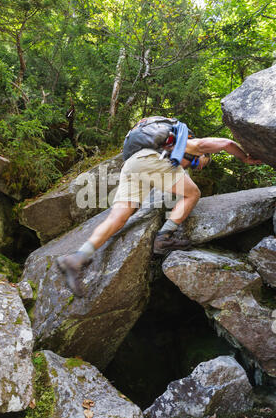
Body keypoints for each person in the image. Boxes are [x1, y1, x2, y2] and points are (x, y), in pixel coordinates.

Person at [56, 119, 262, 297]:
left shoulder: (167, 149)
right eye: (198, 163)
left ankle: (77, 258)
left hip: (132, 164)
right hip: (148, 161)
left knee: (118, 217)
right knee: (193, 193)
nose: (195, 167)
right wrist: (245, 157)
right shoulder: (189, 143)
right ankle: (164, 237)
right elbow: (226, 143)